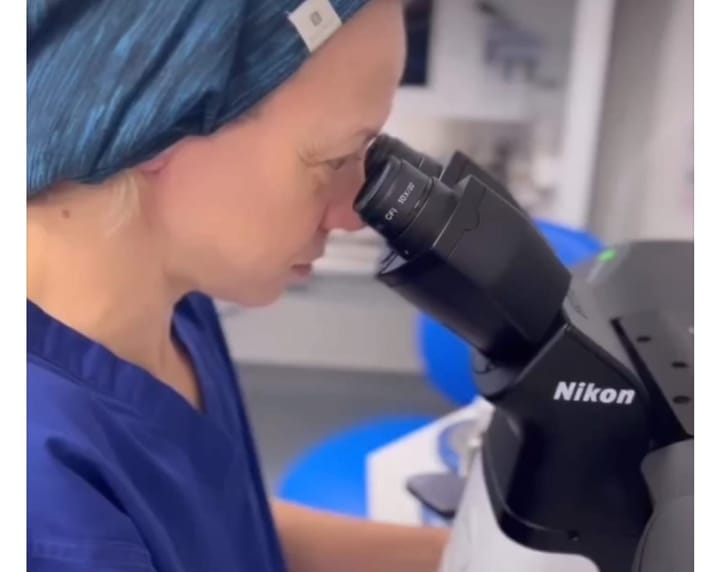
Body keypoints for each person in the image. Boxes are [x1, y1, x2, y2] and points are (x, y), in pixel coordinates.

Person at [27, 0, 449, 570]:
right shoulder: (44, 504)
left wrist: (474, 558)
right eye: (333, 159)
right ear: (153, 126)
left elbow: (216, 528)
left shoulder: (172, 302)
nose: (355, 212)